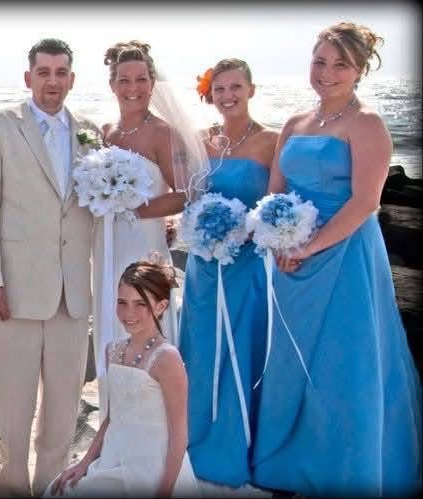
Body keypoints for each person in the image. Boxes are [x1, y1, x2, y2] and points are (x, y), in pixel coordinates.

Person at [252, 22, 422, 496]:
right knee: (292, 356)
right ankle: (287, 461)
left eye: (340, 64)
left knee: (343, 359)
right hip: (290, 263)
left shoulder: (367, 124)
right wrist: (279, 242)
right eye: (320, 61)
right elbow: (274, 194)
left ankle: (345, 469)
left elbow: (366, 202)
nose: (326, 73)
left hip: (345, 256)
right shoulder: (294, 123)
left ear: (360, 70)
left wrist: (307, 247)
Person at [0, 38, 99, 497]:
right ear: (28, 77)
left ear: (72, 79)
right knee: (12, 406)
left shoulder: (90, 132)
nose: (52, 81)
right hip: (12, 294)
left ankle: (50, 486)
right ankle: (13, 484)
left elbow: (95, 209)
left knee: (63, 407)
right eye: (44, 72)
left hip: (72, 296)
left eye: (61, 73)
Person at [177, 59, 277, 494]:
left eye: (236, 87)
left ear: (251, 89)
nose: (227, 95)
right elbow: (190, 198)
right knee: (201, 347)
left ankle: (239, 446)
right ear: (209, 94)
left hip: (248, 265)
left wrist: (245, 228)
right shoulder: (200, 140)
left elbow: (276, 205)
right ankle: (195, 437)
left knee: (243, 346)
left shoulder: (271, 141)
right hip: (203, 265)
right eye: (219, 89)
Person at [92, 40, 196, 419]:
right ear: (112, 84)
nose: (132, 88)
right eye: (124, 80)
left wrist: (137, 208)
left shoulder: (163, 133)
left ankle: (151, 421)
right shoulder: (106, 132)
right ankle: (112, 416)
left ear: (152, 83)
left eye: (140, 79)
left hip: (144, 247)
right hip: (107, 247)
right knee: (111, 320)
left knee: (143, 322)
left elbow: (186, 194)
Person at [45, 259, 200, 498]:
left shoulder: (166, 358)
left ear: (161, 306)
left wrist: (165, 490)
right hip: (114, 456)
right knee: (62, 489)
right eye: (122, 302)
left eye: (141, 304)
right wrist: (84, 463)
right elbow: (111, 416)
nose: (129, 313)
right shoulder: (113, 351)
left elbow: (179, 434)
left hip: (152, 465)